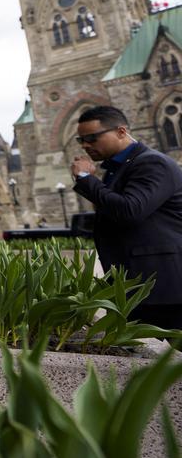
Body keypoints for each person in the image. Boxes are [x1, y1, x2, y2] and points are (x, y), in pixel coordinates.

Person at [71, 105, 182, 332]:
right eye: (81, 140)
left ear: (121, 132)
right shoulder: (119, 168)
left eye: (92, 138)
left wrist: (85, 178)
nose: (85, 145)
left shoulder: (152, 163)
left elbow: (130, 210)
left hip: (163, 286)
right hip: (137, 284)